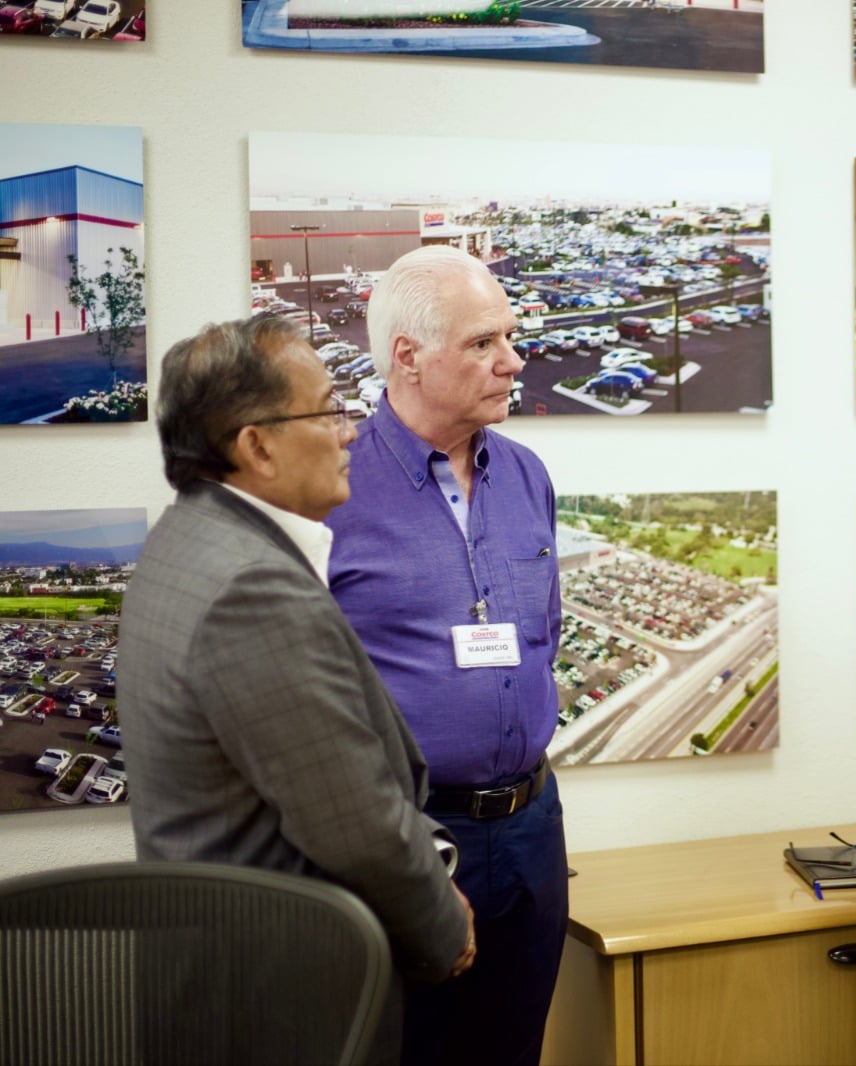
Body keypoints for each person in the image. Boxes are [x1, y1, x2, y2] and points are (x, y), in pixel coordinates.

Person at [118, 317, 476, 1052]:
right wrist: (442, 924)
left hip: (224, 973)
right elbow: (353, 824)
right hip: (282, 998)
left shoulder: (187, 540)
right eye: (329, 410)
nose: (350, 432)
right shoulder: (252, 588)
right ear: (257, 445)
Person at [326, 245, 566, 1066]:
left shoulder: (526, 475)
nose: (513, 359)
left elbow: (544, 638)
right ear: (407, 356)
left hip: (532, 828)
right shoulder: (335, 488)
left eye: (510, 336)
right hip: (410, 836)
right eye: (482, 343)